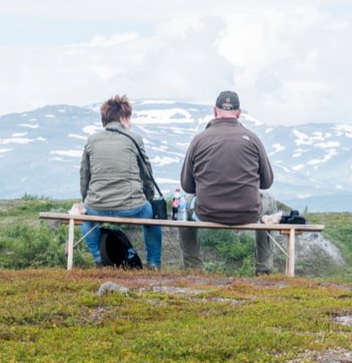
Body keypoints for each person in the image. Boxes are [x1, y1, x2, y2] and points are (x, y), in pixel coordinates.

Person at [180, 91, 275, 274]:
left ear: (215, 111)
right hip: (248, 213)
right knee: (269, 200)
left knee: (183, 205)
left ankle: (194, 268)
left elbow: (187, 186)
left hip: (207, 212)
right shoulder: (252, 139)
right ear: (239, 113)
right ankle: (263, 268)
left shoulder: (199, 140)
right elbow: (267, 183)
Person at [79, 95, 162, 268]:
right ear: (123, 117)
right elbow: (147, 174)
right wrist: (147, 198)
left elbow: (84, 176)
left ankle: (99, 260)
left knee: (85, 218)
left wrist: (87, 199)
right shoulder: (135, 139)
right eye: (129, 118)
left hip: (97, 207)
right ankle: (154, 264)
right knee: (152, 215)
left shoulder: (91, 141)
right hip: (132, 208)